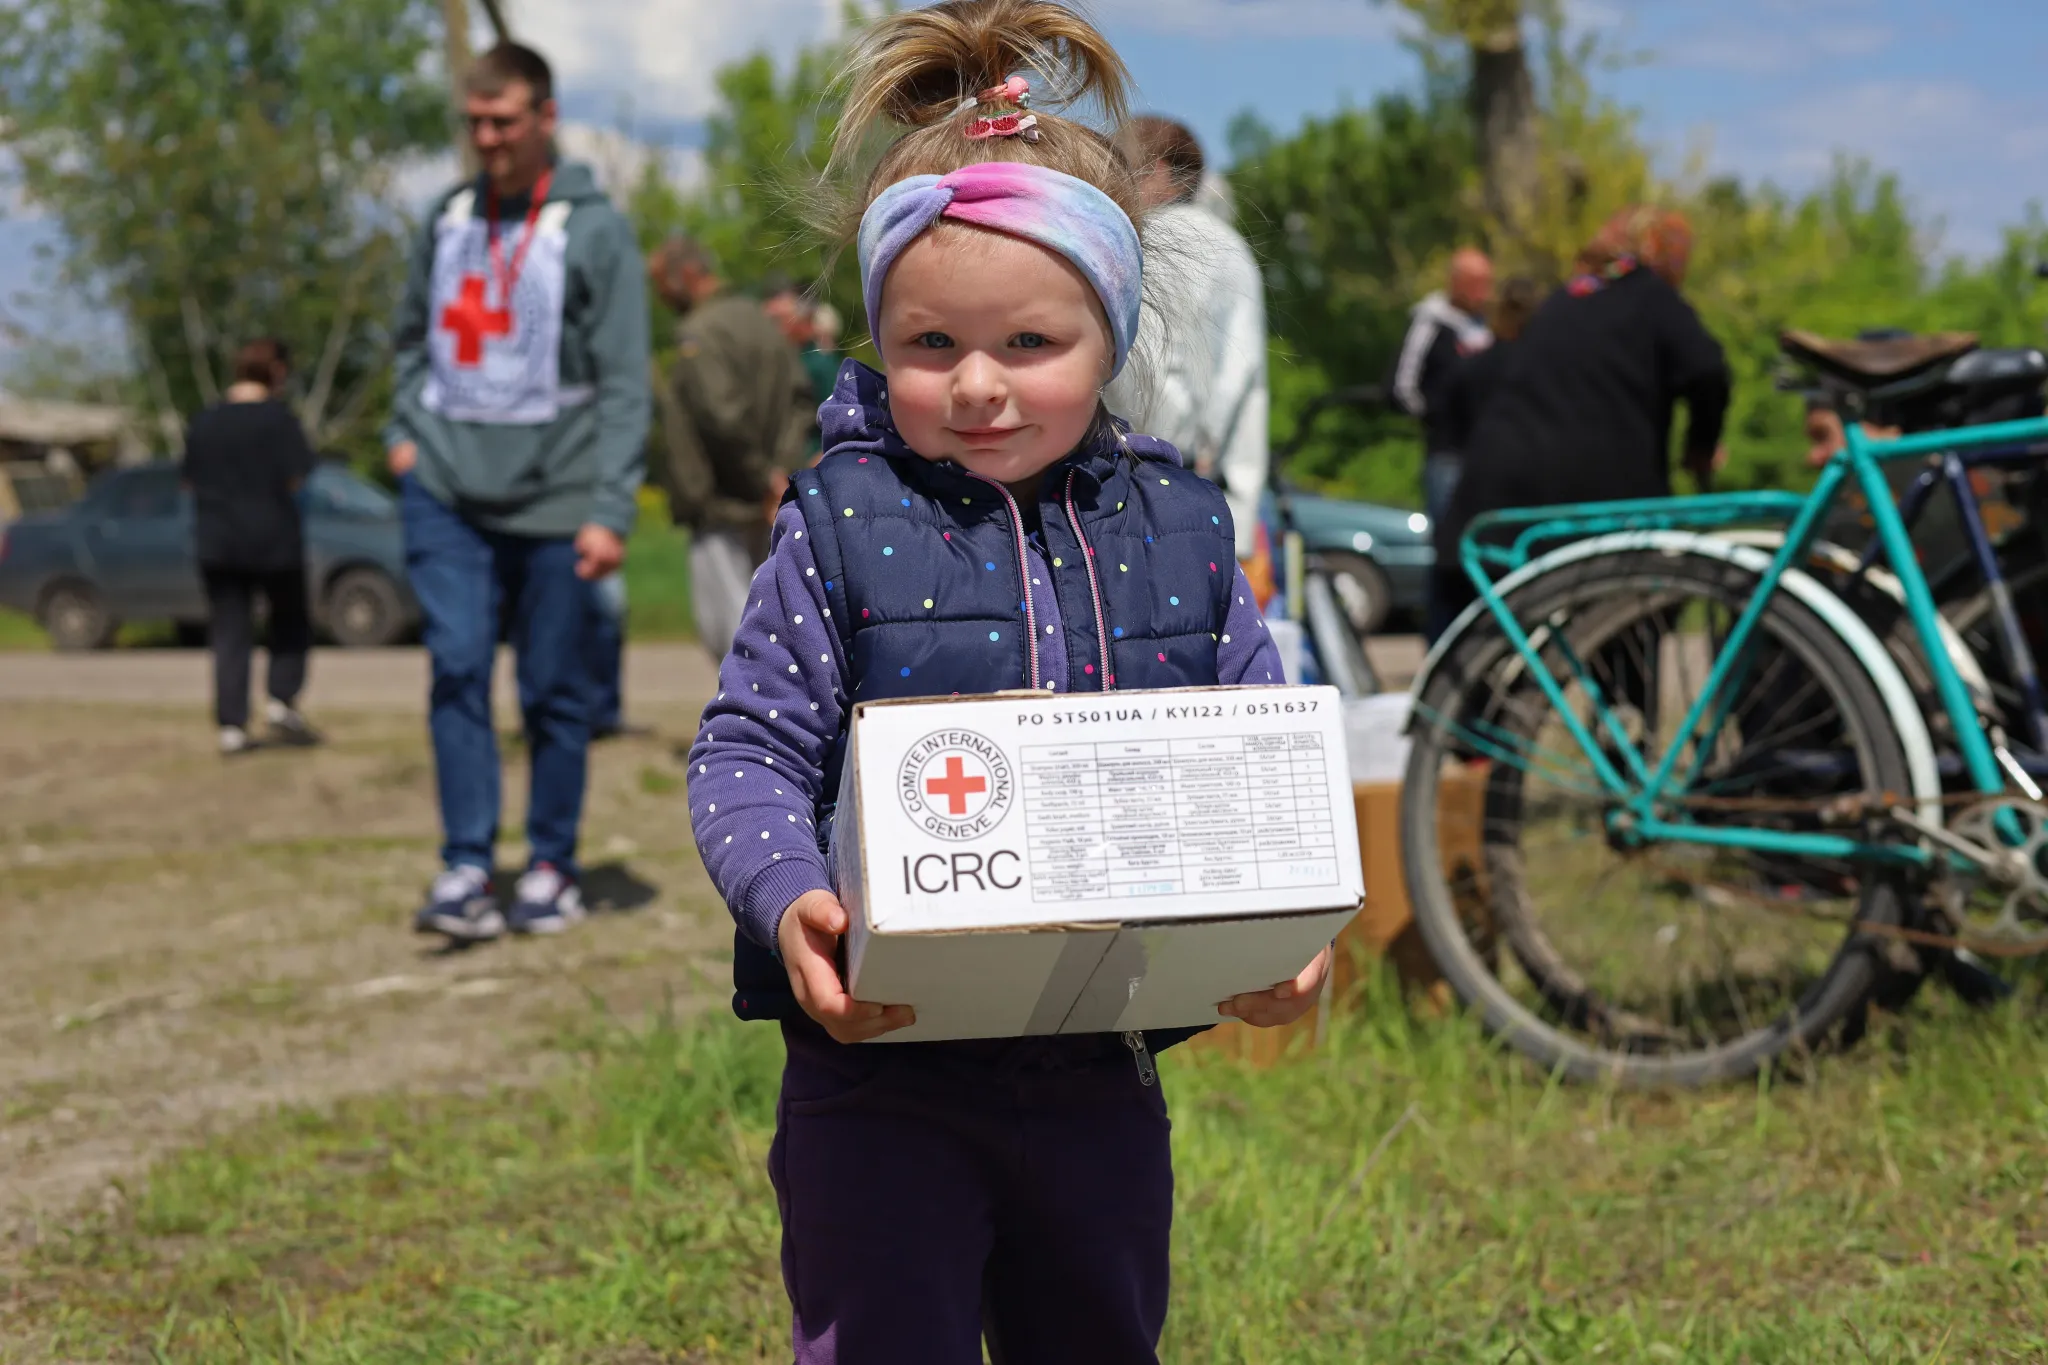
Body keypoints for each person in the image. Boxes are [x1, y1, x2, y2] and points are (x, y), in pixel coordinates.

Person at [684, 3, 1330, 1359]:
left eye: (1030, 346)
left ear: (1111, 334)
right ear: (879, 338)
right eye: (930, 348)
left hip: (1099, 1072)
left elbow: (1258, 755)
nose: (979, 386)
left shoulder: (1187, 528)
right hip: (881, 1076)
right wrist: (790, 895)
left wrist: (1279, 925)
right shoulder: (838, 520)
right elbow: (745, 750)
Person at [386, 41, 650, 942]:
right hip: (447, 490)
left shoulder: (595, 229)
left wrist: (610, 507)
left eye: (503, 121)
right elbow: (407, 341)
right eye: (473, 123)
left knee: (552, 690)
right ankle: (465, 865)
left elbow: (624, 381)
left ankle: (550, 864)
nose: (487, 139)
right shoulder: (448, 217)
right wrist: (401, 439)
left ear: (545, 117)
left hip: (556, 498)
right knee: (456, 667)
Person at [1431, 206, 1730, 630]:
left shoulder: (1566, 298)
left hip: (1491, 506)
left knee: (1484, 663)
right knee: (1631, 632)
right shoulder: (1653, 297)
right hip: (1588, 508)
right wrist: (1701, 445)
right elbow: (1707, 370)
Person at [1104, 115, 1269, 560]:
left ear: (1159, 171)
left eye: (1122, 164)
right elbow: (1243, 372)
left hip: (1136, 477)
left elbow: (1133, 373)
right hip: (1204, 485)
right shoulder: (1230, 247)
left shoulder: (1139, 241)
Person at [645, 235, 814, 661]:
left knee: (732, 637)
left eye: (660, 284)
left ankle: (748, 725)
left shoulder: (699, 331)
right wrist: (781, 474)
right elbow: (801, 402)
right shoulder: (762, 323)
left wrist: (765, 478)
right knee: (767, 622)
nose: (660, 296)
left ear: (686, 275)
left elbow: (722, 416)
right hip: (766, 500)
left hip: (723, 504)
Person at [180, 337, 322, 756]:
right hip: (273, 538)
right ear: (277, 371)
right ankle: (281, 699)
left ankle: (232, 727)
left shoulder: (204, 421)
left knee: (229, 633)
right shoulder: (278, 420)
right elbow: (297, 478)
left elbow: (188, 482)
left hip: (218, 542)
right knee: (290, 622)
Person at [1426, 275, 1540, 641]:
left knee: (1452, 573)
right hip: (1519, 486)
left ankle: (1441, 654)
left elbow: (1441, 414)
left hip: (1467, 477)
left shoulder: (1474, 365)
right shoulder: (1540, 372)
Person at [1394, 247, 1494, 535]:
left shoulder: (1486, 326)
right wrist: (1436, 419)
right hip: (1447, 456)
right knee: (1447, 540)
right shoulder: (1430, 321)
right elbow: (1402, 385)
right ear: (1456, 281)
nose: (1483, 292)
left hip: (1484, 451)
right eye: (1476, 283)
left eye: (1487, 283)